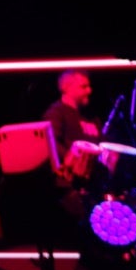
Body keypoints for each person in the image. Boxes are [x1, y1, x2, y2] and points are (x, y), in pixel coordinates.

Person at [43, 69, 102, 217]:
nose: (90, 90)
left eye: (89, 86)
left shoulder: (91, 116)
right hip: (69, 189)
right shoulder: (56, 113)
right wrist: (73, 163)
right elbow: (50, 142)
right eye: (83, 87)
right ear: (66, 88)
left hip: (94, 186)